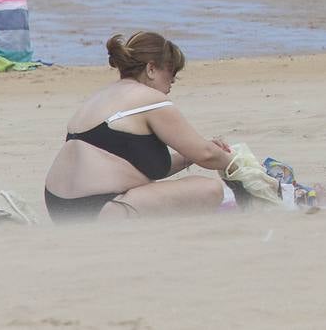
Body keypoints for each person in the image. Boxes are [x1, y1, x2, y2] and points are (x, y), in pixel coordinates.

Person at [43, 32, 236, 222]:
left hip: (59, 208)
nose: (173, 82)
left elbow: (141, 166)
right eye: (171, 73)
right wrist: (242, 168)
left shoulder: (101, 96)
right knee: (210, 189)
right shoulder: (150, 99)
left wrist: (188, 157)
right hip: (101, 209)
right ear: (151, 69)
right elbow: (207, 154)